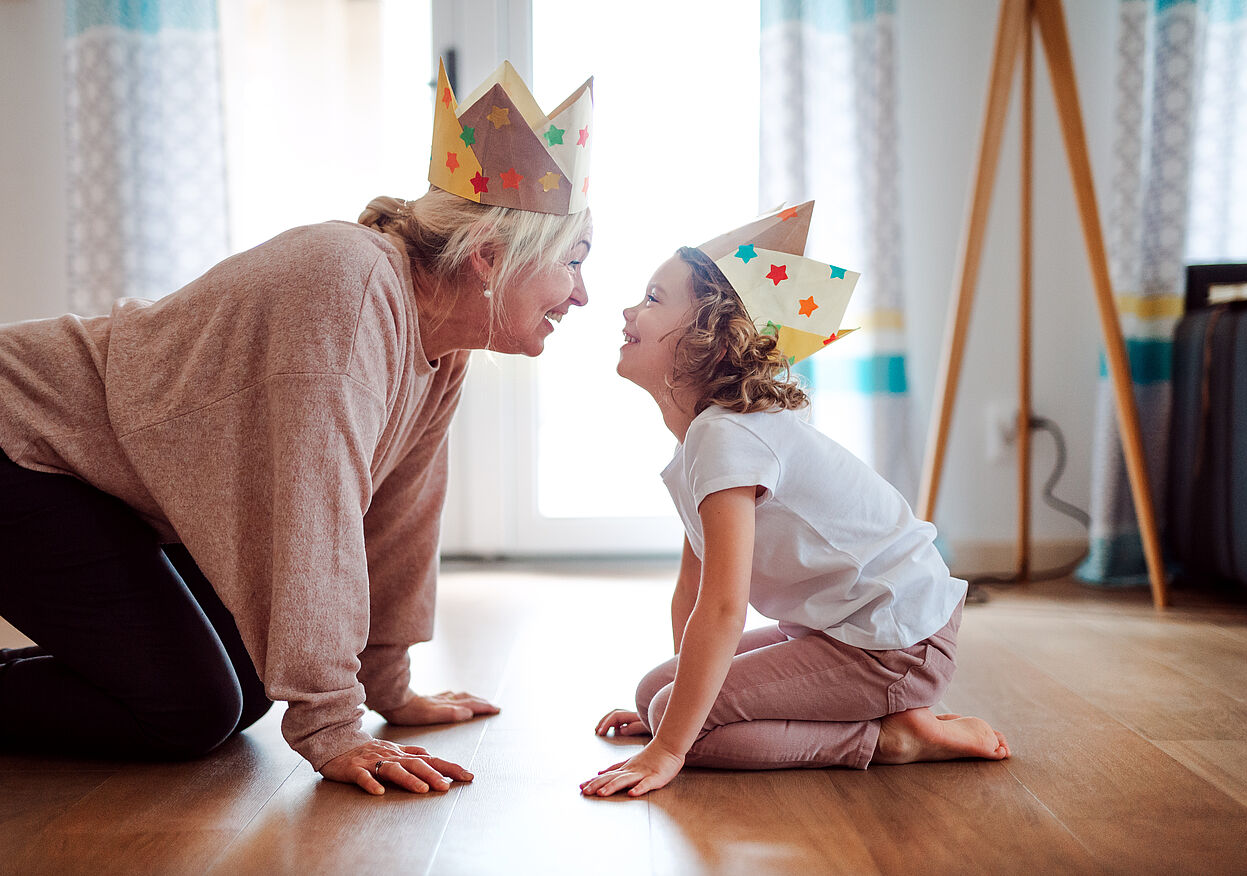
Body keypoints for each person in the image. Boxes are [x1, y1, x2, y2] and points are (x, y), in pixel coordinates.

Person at [0, 60, 593, 795]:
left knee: (250, 679)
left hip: (105, 483)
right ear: (490, 258)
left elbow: (399, 514)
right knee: (191, 709)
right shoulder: (348, 284)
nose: (584, 295)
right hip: (20, 443)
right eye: (574, 262)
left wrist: (386, 685)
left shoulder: (442, 350)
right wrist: (330, 726)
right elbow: (315, 509)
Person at [580, 204, 1009, 799]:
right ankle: (888, 718)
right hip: (847, 631)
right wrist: (681, 703)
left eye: (654, 298)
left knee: (684, 727)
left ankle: (890, 739)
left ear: (708, 336)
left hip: (896, 644)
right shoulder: (704, 440)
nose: (629, 311)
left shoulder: (726, 437)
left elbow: (725, 608)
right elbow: (693, 589)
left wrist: (671, 741)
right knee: (657, 692)